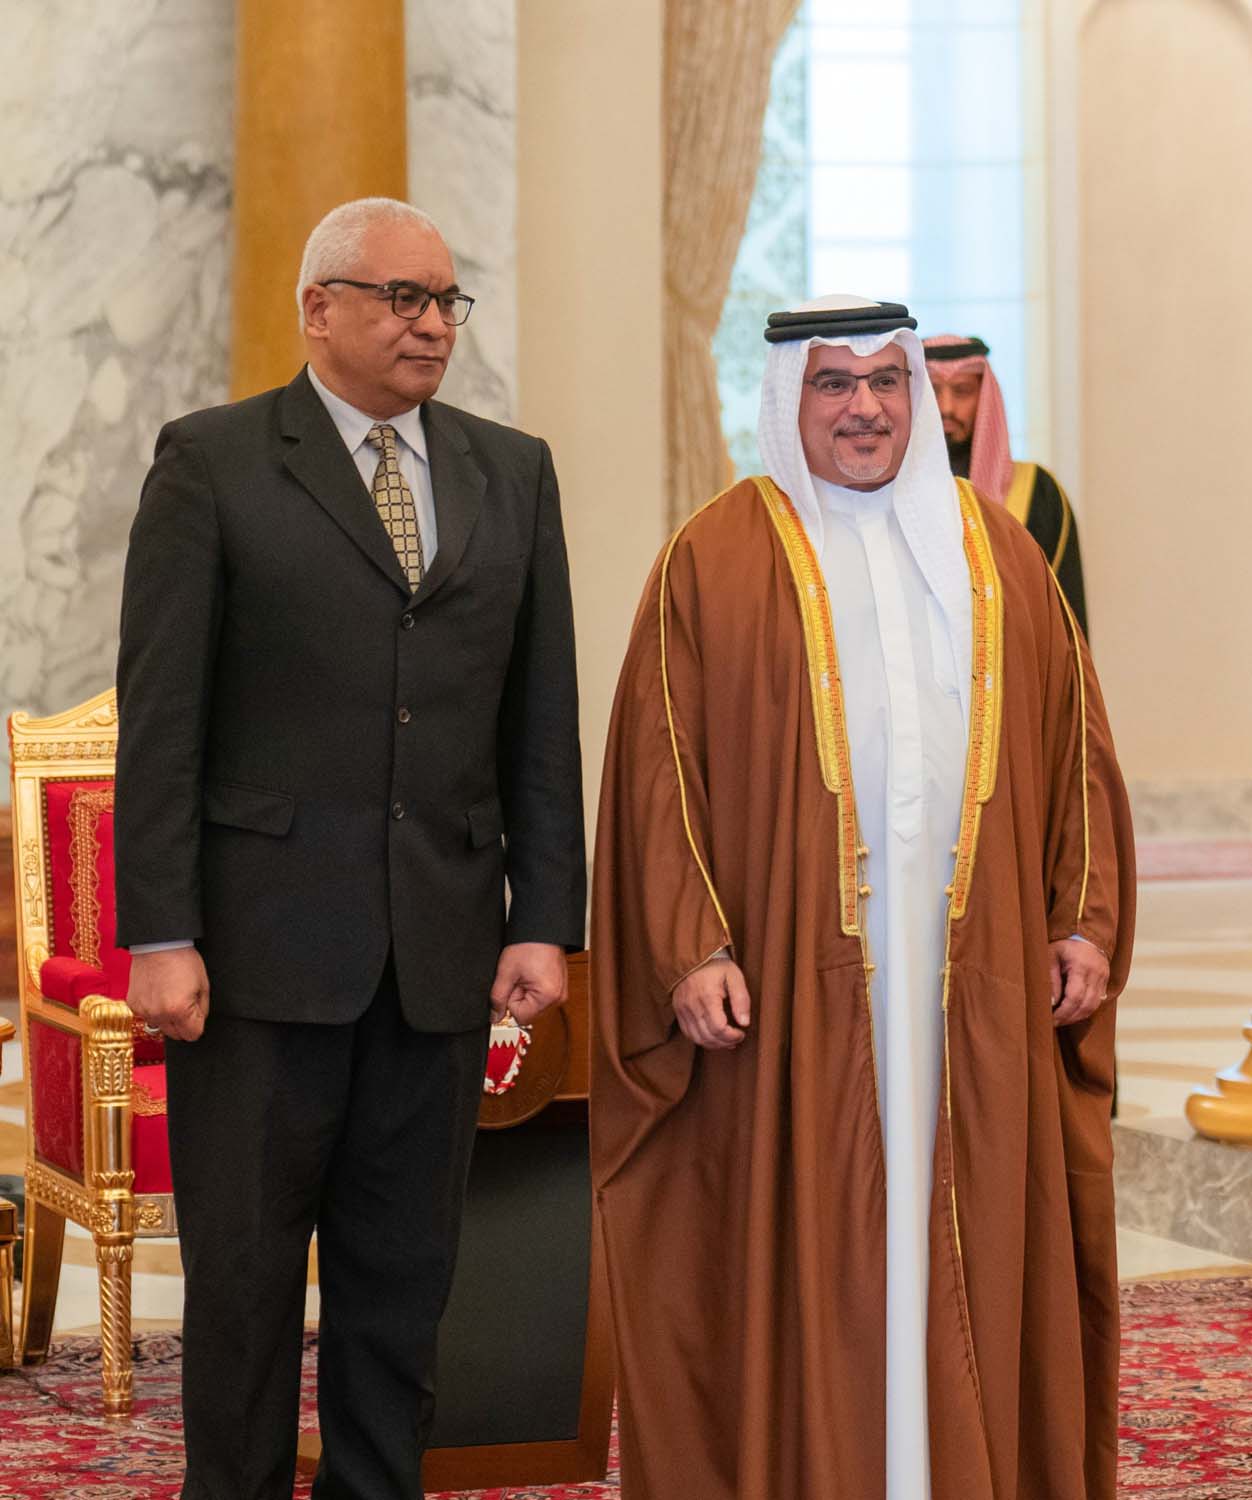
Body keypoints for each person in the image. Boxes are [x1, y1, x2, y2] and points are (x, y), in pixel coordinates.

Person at [591, 295, 1135, 1500]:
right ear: (789, 398)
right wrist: (691, 948)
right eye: (832, 384)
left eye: (886, 382)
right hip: (794, 983)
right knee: (822, 1231)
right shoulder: (714, 558)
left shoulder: (1001, 555)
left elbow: (1077, 753)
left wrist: (1081, 919)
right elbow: (657, 771)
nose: (864, 409)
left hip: (976, 977)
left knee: (968, 1226)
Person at [114, 196, 585, 1500]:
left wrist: (544, 917)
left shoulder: (512, 470)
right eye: (400, 297)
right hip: (258, 958)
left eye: (445, 301)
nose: (430, 324)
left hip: (439, 953)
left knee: (404, 1279)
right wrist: (161, 931)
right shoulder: (212, 462)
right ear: (318, 308)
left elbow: (540, 714)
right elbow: (162, 717)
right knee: (248, 1284)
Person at [924, 333, 1089, 634]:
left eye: (962, 391)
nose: (946, 407)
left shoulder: (1036, 492)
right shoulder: (891, 495)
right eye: (933, 391)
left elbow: (1065, 621)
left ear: (984, 398)